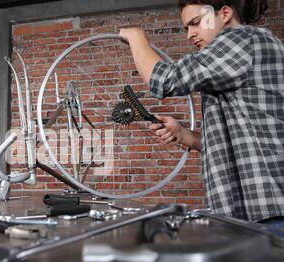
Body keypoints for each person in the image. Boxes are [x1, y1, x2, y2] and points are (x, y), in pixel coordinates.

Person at [119, 0, 284, 225]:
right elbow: (241, 141)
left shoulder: (242, 39)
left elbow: (167, 80)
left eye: (196, 23)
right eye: (187, 28)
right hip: (255, 213)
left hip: (272, 211)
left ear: (225, 13)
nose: (190, 34)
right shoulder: (235, 59)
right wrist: (184, 135)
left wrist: (136, 37)